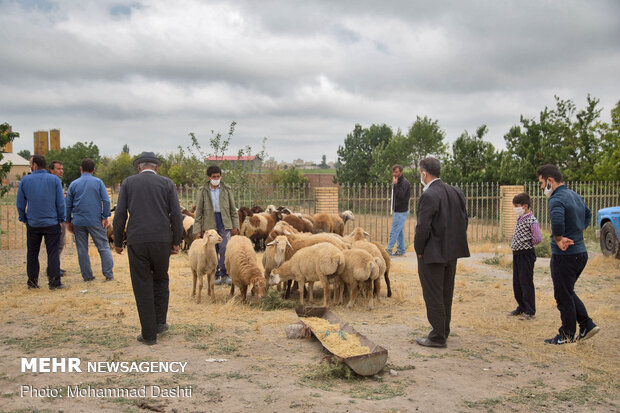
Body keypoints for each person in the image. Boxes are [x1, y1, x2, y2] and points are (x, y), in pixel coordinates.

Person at [113, 152, 183, 345]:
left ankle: (148, 334)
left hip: (138, 240)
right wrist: (176, 240)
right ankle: (160, 323)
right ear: (156, 168)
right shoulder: (167, 184)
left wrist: (118, 241)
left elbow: (120, 214)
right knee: (161, 279)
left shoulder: (128, 183)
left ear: (139, 167)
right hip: (162, 240)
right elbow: (176, 214)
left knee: (142, 284)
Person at [536, 164, 599, 344]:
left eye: (541, 183)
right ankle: (587, 324)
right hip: (581, 253)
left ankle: (566, 334)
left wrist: (558, 238)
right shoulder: (574, 195)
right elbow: (588, 214)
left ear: (550, 181)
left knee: (563, 295)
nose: (541, 188)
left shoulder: (556, 199)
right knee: (568, 291)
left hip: (565, 256)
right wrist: (578, 232)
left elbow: (557, 222)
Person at [413, 157, 469, 348]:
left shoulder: (428, 195)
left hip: (432, 254)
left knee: (434, 294)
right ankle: (444, 329)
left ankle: (437, 336)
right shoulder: (456, 191)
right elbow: (464, 220)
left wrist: (419, 250)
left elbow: (423, 227)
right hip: (451, 252)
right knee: (446, 292)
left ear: (424, 173)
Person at [16, 154, 66, 290]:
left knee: (32, 253)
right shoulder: (54, 180)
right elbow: (61, 203)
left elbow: (20, 203)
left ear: (35, 165)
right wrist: (61, 219)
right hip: (52, 222)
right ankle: (54, 282)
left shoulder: (25, 180)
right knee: (53, 253)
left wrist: (23, 218)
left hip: (33, 223)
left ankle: (32, 282)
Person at [65, 158, 114, 282]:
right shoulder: (98, 182)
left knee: (82, 249)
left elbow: (68, 204)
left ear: (81, 169)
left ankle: (87, 276)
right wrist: (105, 216)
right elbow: (106, 201)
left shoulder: (74, 184)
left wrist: (68, 220)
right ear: (93, 170)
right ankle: (108, 274)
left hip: (79, 221)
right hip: (95, 220)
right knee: (103, 246)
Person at [193, 165, 240, 286]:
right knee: (212, 249)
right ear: (209, 177)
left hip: (224, 220)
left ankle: (225, 274)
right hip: (209, 221)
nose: (216, 178)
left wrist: (235, 225)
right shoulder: (203, 190)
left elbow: (232, 209)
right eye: (214, 177)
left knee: (224, 247)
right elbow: (199, 211)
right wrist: (197, 229)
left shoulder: (226, 189)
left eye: (218, 176)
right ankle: (215, 274)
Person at [509, 192, 542, 320]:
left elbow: (538, 238)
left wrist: (527, 243)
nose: (515, 208)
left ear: (525, 206)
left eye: (517, 206)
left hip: (525, 254)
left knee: (525, 282)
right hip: (517, 254)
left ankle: (530, 309)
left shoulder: (531, 220)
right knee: (517, 282)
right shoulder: (520, 218)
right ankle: (521, 306)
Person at [386, 164, 411, 256]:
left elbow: (401, 195)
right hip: (397, 210)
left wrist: (395, 185)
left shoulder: (404, 182)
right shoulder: (397, 181)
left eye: (396, 172)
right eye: (393, 172)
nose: (394, 174)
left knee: (394, 231)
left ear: (401, 172)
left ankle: (388, 250)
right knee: (399, 231)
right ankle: (401, 250)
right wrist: (394, 185)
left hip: (401, 211)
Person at [49, 160, 67, 276]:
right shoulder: (52, 182)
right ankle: (53, 269)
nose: (61, 171)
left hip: (57, 217)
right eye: (58, 169)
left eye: (62, 169)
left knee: (59, 244)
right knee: (57, 244)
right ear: (51, 170)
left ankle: (55, 266)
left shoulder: (57, 182)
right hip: (56, 218)